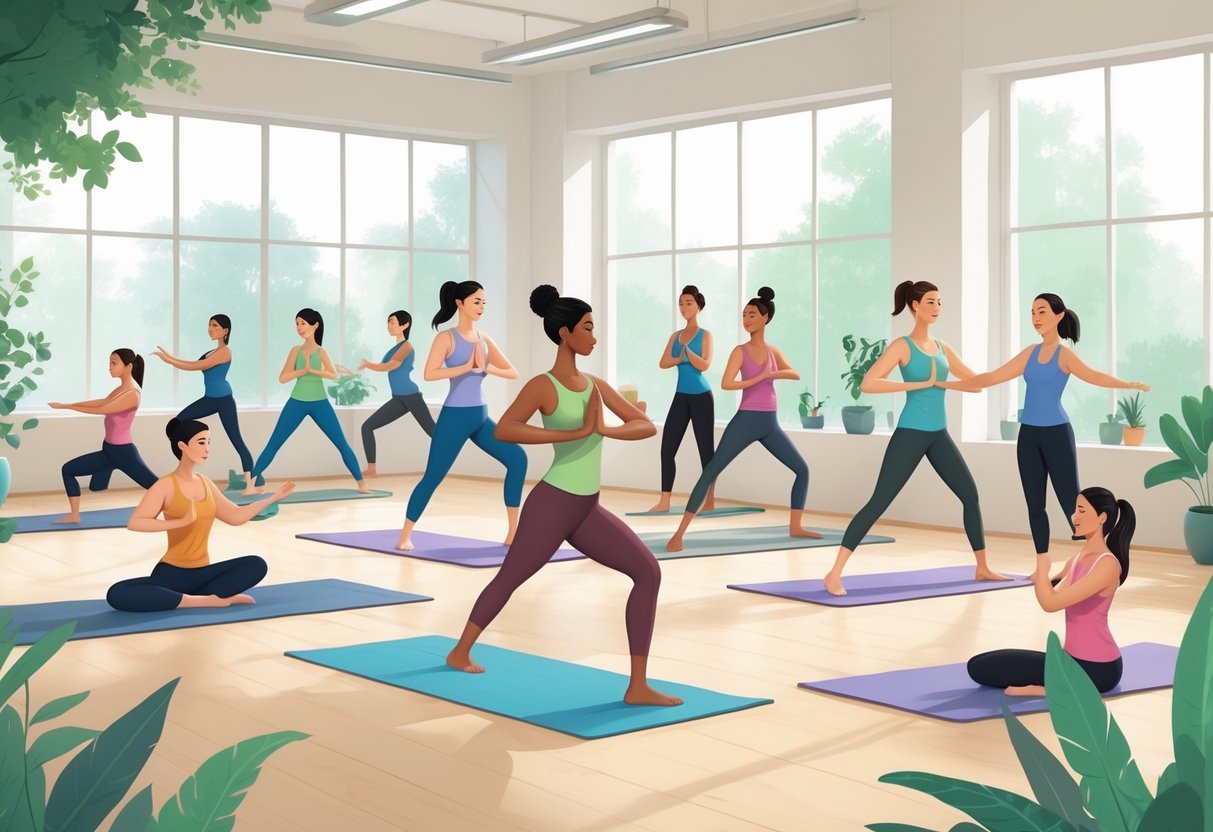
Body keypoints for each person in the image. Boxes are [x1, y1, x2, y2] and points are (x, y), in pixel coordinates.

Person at [445, 284, 681, 707]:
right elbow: (506, 429)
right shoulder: (544, 385)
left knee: (648, 573)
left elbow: (645, 425)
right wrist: (572, 434)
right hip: (553, 505)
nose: (594, 337)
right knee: (510, 578)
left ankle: (637, 686)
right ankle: (460, 651)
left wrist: (604, 429)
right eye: (587, 328)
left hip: (587, 509)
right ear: (565, 333)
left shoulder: (594, 386)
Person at [823, 280, 1007, 595]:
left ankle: (982, 567)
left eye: (940, 302)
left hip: (938, 434)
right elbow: (869, 383)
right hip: (910, 433)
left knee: (969, 494)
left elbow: (975, 384)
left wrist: (945, 384)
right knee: (879, 501)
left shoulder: (943, 348)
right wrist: (917, 385)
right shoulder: (902, 346)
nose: (937, 308)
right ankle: (834, 573)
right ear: (915, 306)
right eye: (931, 302)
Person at [947, 293, 1149, 556]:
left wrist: (1127, 384)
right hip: (1028, 436)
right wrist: (949, 384)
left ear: (1059, 315)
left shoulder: (1065, 355)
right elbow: (992, 377)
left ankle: (1098, 556)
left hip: (1057, 435)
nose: (1036, 318)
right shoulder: (1029, 353)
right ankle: (1042, 565)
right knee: (1035, 506)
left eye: (1041, 311)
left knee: (1072, 502)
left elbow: (1094, 376)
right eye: (1032, 312)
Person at [666, 287, 818, 552]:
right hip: (746, 420)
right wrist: (759, 377)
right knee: (711, 471)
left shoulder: (772, 351)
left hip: (770, 423)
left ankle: (796, 526)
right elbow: (727, 383)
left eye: (752, 315)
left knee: (802, 470)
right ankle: (679, 534)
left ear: (765, 318)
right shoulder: (740, 351)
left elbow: (794, 373)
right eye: (744, 315)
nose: (746, 319)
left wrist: (772, 374)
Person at [107, 419, 295, 612]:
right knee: (117, 593)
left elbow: (235, 516)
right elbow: (136, 522)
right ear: (182, 446)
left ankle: (191, 598)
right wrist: (181, 522)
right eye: (201, 442)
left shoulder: (205, 482)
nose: (207, 449)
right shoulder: (166, 485)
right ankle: (205, 600)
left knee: (256, 565)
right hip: (172, 574)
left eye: (208, 442)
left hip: (203, 573)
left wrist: (273, 498)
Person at [397, 280, 526, 550]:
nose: (481, 307)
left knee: (517, 459)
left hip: (480, 417)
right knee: (433, 476)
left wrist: (486, 368)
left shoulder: (484, 339)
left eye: (484, 302)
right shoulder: (446, 338)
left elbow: (513, 372)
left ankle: (514, 533)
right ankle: (405, 536)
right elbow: (429, 373)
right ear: (459, 303)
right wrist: (467, 366)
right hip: (454, 418)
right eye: (476, 301)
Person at [967, 486, 1132, 695]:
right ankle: (1055, 685)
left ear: (1102, 517)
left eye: (1082, 510)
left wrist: (1042, 567)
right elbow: (1053, 587)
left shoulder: (1107, 565)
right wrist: (1041, 577)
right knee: (978, 663)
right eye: (1075, 510)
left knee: (981, 670)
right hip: (1071, 660)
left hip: (1097, 670)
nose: (1074, 517)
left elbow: (1050, 603)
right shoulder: (1078, 558)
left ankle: (1051, 689)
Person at [245, 308, 367, 494]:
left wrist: (313, 370)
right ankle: (250, 486)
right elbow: (283, 378)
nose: (299, 328)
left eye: (303, 323)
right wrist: (303, 371)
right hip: (297, 402)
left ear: (315, 325)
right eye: (297, 324)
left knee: (341, 443)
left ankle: (362, 485)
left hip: (320, 403)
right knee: (274, 444)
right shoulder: (296, 351)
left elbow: (332, 374)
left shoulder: (321, 351)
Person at [52, 349, 158, 523]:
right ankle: (74, 515)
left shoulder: (133, 393)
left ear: (129, 366)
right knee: (76, 475)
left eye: (114, 363)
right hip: (108, 450)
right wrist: (67, 404)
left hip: (123, 453)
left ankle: (184, 504)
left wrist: (70, 407)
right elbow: (101, 402)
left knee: (155, 486)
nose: (109, 367)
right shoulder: (121, 389)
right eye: (110, 362)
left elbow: (103, 409)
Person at [152, 314, 256, 488]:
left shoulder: (225, 352)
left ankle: (251, 483)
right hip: (209, 399)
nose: (210, 329)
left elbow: (195, 366)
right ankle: (187, 461)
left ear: (225, 331)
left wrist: (167, 360)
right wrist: (169, 356)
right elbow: (193, 362)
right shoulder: (211, 352)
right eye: (209, 325)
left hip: (224, 401)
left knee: (237, 441)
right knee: (175, 424)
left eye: (215, 326)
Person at [649, 285, 716, 513]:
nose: (684, 307)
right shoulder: (675, 336)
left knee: (706, 451)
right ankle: (664, 500)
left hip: (702, 397)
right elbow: (663, 362)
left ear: (698, 306)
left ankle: (710, 500)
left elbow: (705, 364)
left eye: (688, 303)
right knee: (667, 449)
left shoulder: (705, 335)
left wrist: (687, 354)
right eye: (681, 303)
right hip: (681, 396)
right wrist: (680, 357)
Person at [356, 309, 435, 478]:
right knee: (367, 427)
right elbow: (382, 365)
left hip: (411, 396)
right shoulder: (394, 348)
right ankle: (371, 469)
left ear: (404, 325)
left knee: (433, 432)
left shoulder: (407, 346)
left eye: (392, 321)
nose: (389, 325)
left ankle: (441, 463)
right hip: (398, 398)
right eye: (388, 322)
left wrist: (368, 364)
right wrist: (362, 368)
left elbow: (390, 366)